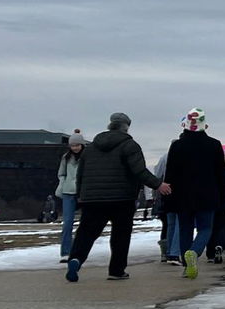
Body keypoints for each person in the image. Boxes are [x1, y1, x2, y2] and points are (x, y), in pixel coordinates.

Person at [67, 113, 171, 282]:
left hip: (92, 198)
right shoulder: (130, 145)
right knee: (120, 235)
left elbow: (81, 174)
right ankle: (116, 270)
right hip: (121, 198)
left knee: (86, 233)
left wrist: (81, 195)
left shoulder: (91, 148)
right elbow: (139, 171)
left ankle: (75, 259)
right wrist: (158, 185)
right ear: (126, 127)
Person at [163, 109, 225, 279]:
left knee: (185, 228)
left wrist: (168, 196)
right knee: (205, 228)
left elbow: (170, 173)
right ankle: (194, 252)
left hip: (182, 195)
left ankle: (186, 265)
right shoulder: (214, 145)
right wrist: (223, 195)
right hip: (208, 194)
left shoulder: (177, 145)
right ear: (204, 125)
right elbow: (221, 174)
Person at [54, 134, 85, 262]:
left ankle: (80, 251)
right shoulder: (66, 158)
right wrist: (62, 184)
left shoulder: (87, 156)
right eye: (72, 145)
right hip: (68, 192)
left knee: (85, 224)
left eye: (77, 145)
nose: (75, 148)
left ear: (82, 145)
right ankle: (66, 252)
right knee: (67, 224)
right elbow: (61, 173)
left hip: (83, 193)